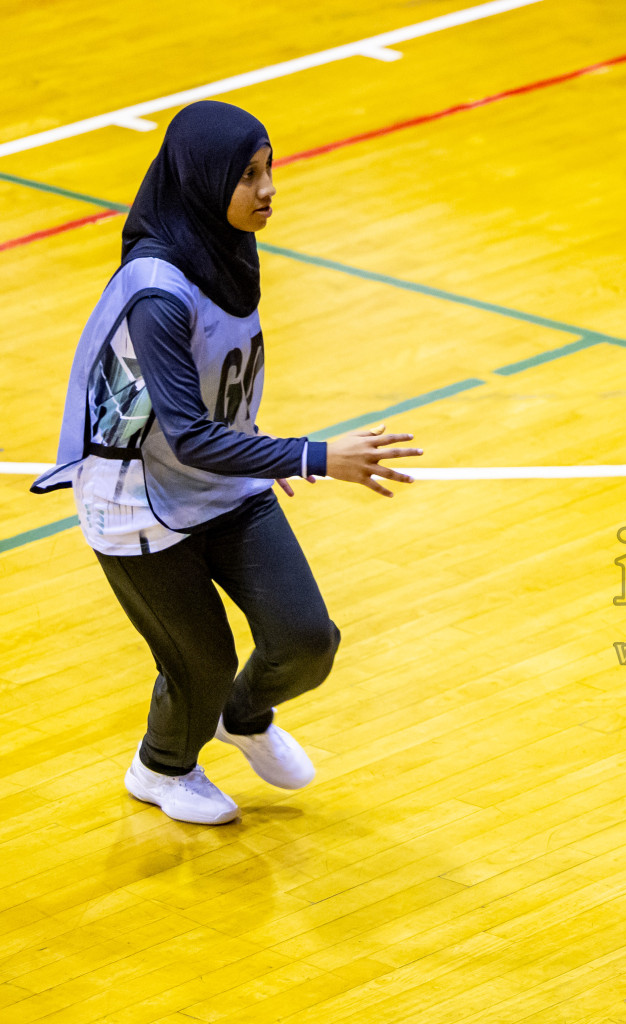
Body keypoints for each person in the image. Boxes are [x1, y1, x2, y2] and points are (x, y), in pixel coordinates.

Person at [31, 100, 422, 826]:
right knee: (200, 666)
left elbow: (214, 392)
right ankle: (161, 768)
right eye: (249, 175)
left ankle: (240, 721)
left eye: (269, 168)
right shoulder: (157, 289)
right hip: (138, 500)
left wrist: (258, 447)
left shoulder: (225, 247)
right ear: (206, 181)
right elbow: (185, 432)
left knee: (307, 642)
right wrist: (310, 457)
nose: (269, 188)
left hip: (221, 477)